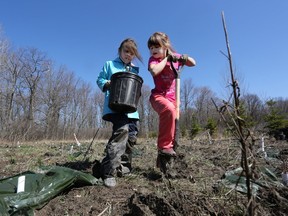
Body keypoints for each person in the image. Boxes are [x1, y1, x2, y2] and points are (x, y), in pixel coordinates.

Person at [96, 38, 142, 187]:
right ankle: (108, 172)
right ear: (120, 51)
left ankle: (123, 167)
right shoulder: (110, 65)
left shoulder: (134, 69)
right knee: (121, 132)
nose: (128, 55)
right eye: (126, 51)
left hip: (131, 109)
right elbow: (100, 79)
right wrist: (106, 84)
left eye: (132, 53)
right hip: (116, 106)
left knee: (132, 136)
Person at [147, 32, 196, 164]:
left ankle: (165, 158)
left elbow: (193, 63)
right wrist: (166, 59)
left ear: (165, 46)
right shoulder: (154, 60)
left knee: (174, 123)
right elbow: (154, 71)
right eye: (151, 48)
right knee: (168, 110)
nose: (153, 50)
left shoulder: (174, 58)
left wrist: (184, 57)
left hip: (174, 99)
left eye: (156, 47)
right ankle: (164, 146)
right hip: (158, 96)